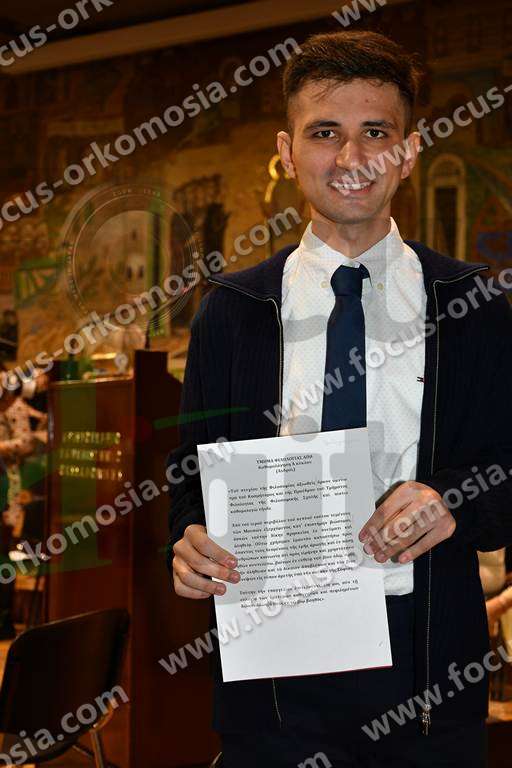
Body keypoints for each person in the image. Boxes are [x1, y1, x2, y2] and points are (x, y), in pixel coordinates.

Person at [167, 30, 512, 767]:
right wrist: (189, 541)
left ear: (408, 152)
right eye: (325, 132)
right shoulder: (231, 312)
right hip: (273, 679)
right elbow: (188, 478)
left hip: (429, 674)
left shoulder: (472, 306)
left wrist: (451, 499)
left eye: (375, 133)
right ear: (288, 153)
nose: (351, 159)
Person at [0, 370, 34, 638]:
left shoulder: (15, 405)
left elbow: (26, 443)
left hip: (7, 483)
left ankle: (4, 619)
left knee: (4, 548)